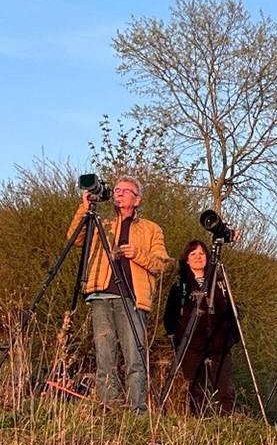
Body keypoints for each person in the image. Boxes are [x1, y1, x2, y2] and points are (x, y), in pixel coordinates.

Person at [68, 175, 170, 410]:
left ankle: (137, 410)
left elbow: (162, 264)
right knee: (105, 357)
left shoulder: (151, 229)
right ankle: (109, 407)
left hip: (131, 297)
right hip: (100, 294)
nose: (119, 193)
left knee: (133, 357)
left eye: (126, 190)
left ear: (137, 199)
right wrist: (84, 209)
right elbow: (75, 239)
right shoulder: (101, 221)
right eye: (116, 189)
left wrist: (138, 254)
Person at [163, 240, 240, 416]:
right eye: (193, 254)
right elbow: (170, 318)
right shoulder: (180, 286)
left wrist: (232, 337)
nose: (198, 257)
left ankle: (226, 429)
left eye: (202, 253)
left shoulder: (220, 284)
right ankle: (201, 429)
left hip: (220, 347)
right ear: (186, 260)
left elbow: (233, 312)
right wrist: (179, 338)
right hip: (192, 347)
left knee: (226, 392)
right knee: (198, 393)